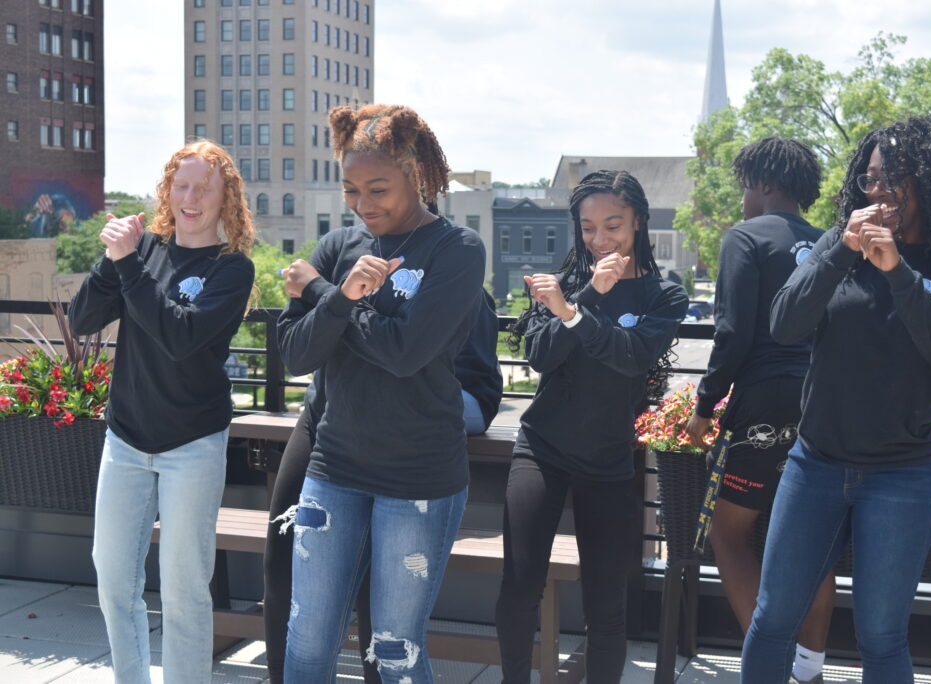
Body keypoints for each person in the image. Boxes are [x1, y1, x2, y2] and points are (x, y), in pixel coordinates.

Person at [742, 117, 931, 683]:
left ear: (930, 183)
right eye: (870, 178)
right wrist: (839, 251)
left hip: (901, 475)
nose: (877, 192)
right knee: (773, 616)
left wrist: (898, 271)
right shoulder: (839, 245)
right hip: (816, 464)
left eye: (892, 180)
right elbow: (784, 324)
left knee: (881, 637)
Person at [277, 104, 486, 682]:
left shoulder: (458, 250)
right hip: (333, 466)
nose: (364, 204)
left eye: (377, 188)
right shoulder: (339, 246)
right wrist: (341, 297)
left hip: (419, 475)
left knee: (395, 648)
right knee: (308, 638)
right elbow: (295, 355)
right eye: (350, 190)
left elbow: (405, 353)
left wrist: (322, 290)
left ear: (415, 175)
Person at [68, 141, 256, 684]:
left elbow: (180, 337)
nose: (190, 198)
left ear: (227, 200)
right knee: (112, 578)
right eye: (181, 185)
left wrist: (129, 267)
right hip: (125, 439)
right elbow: (82, 321)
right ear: (167, 191)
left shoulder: (231, 269)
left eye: (204, 188)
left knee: (182, 588)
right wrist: (113, 260)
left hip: (192, 444)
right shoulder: (140, 251)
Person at [496, 170, 689, 683]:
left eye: (613, 225)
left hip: (607, 460)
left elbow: (630, 359)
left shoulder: (664, 295)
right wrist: (583, 298)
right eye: (588, 228)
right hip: (542, 448)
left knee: (607, 604)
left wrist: (574, 312)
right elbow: (539, 356)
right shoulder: (565, 284)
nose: (600, 239)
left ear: (639, 222)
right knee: (519, 584)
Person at [262, 274, 502, 684]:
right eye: (357, 203)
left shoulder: (459, 276)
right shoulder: (344, 262)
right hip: (328, 421)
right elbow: (299, 349)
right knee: (283, 564)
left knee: (387, 617)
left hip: (413, 435)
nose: (371, 207)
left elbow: (475, 394)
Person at [684, 137, 835, 684]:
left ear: (765, 184)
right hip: (822, 407)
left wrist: (704, 408)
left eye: (746, 184)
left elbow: (731, 335)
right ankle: (811, 670)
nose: (743, 197)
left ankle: (770, 667)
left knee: (729, 533)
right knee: (812, 541)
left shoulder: (744, 238)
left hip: (762, 406)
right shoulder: (830, 243)